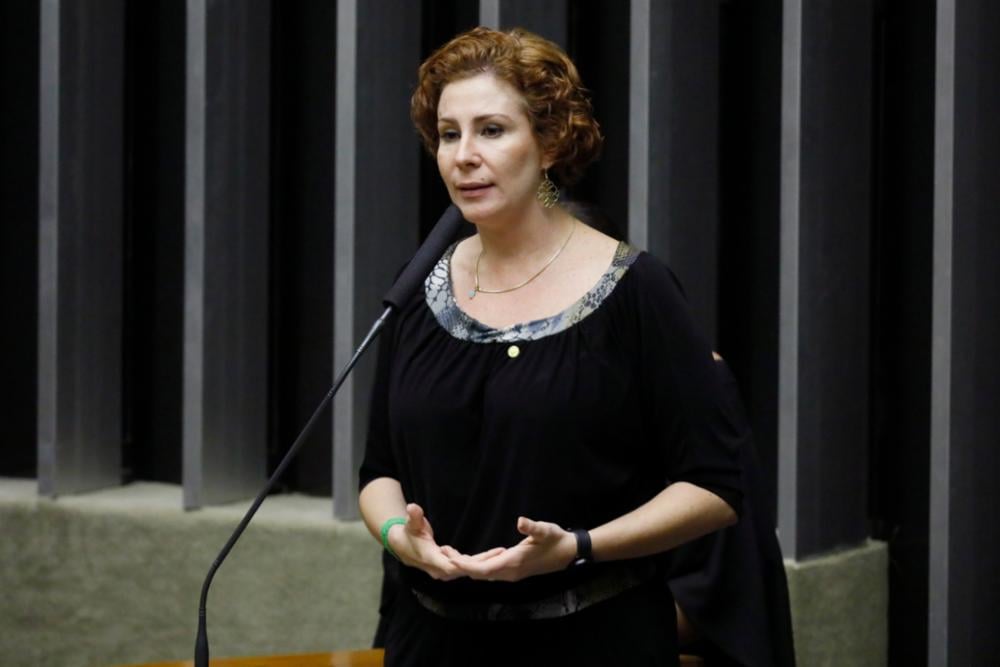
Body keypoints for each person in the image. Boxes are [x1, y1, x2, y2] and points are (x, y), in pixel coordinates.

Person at [359, 27, 744, 666]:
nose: (464, 156)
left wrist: (577, 546)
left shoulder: (636, 288)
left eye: (491, 130)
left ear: (549, 142)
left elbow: (715, 489)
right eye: (449, 134)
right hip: (431, 642)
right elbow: (379, 474)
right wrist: (402, 538)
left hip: (591, 639)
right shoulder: (420, 287)